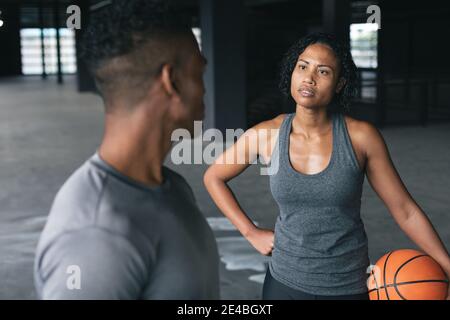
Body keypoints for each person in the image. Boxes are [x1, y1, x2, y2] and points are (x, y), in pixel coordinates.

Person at [204, 33, 450, 300]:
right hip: (285, 282)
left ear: (339, 84)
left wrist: (448, 267)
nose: (309, 77)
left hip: (348, 284)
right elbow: (213, 177)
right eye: (303, 66)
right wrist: (250, 232)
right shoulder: (267, 134)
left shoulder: (361, 137)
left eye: (323, 71)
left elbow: (405, 210)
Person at [34, 0, 220, 299]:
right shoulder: (97, 234)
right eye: (199, 74)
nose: (205, 89)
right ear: (171, 81)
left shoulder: (172, 186)